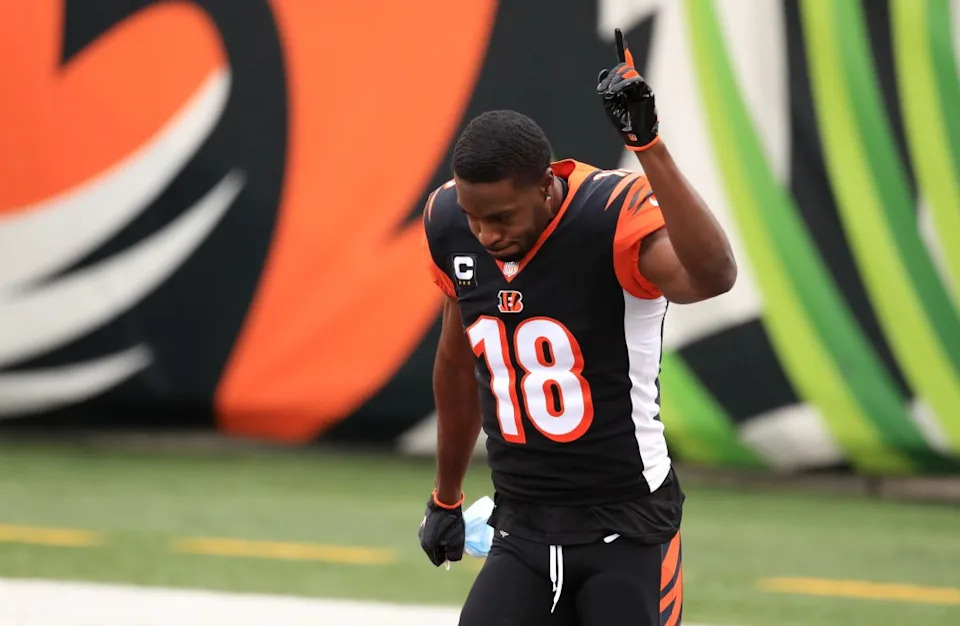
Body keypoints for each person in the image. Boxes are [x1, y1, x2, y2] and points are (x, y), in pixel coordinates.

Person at [417, 29, 737, 626]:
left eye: (501, 217)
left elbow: (713, 275)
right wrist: (446, 495)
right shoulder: (448, 222)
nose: (485, 235)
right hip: (522, 525)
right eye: (474, 218)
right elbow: (458, 365)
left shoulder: (609, 219)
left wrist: (650, 146)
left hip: (627, 526)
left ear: (545, 185)